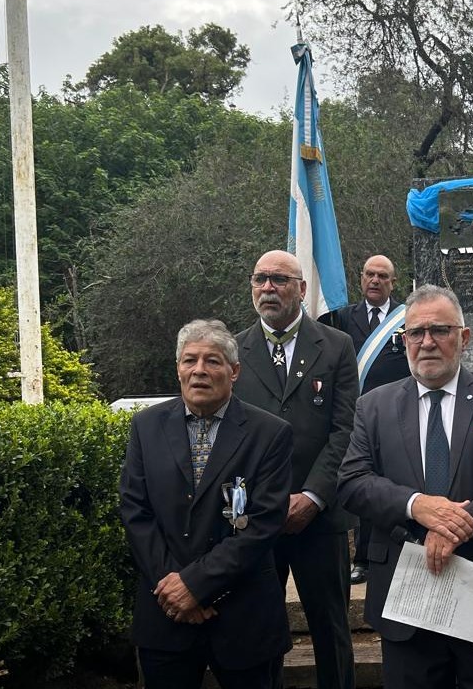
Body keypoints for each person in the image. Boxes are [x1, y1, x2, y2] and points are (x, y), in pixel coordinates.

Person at [338, 284, 473, 689]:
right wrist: (417, 506)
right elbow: (351, 481)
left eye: (440, 330)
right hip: (408, 595)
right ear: (404, 342)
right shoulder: (374, 405)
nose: (427, 342)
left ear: (464, 337)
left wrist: (460, 521)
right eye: (415, 333)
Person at [119, 319, 293, 689]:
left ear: (234, 372)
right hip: (165, 612)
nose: (199, 370)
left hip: (244, 617)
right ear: (178, 368)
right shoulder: (145, 427)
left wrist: (196, 585)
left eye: (212, 361)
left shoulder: (270, 434)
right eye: (189, 360)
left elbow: (263, 524)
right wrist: (175, 589)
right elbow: (136, 512)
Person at [234, 250, 358, 689]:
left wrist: (313, 495)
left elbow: (345, 429)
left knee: (331, 631)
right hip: (255, 519)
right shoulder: (234, 351)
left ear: (302, 289)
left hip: (320, 519)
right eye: (260, 279)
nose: (268, 287)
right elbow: (232, 438)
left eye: (279, 280)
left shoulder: (337, 346)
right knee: (261, 632)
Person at [320, 254, 412, 585]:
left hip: (397, 414)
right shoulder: (342, 318)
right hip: (355, 416)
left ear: (393, 282)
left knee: (395, 484)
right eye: (369, 274)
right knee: (362, 485)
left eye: (382, 276)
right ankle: (363, 558)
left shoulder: (407, 318)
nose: (374, 280)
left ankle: (397, 551)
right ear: (360, 279)